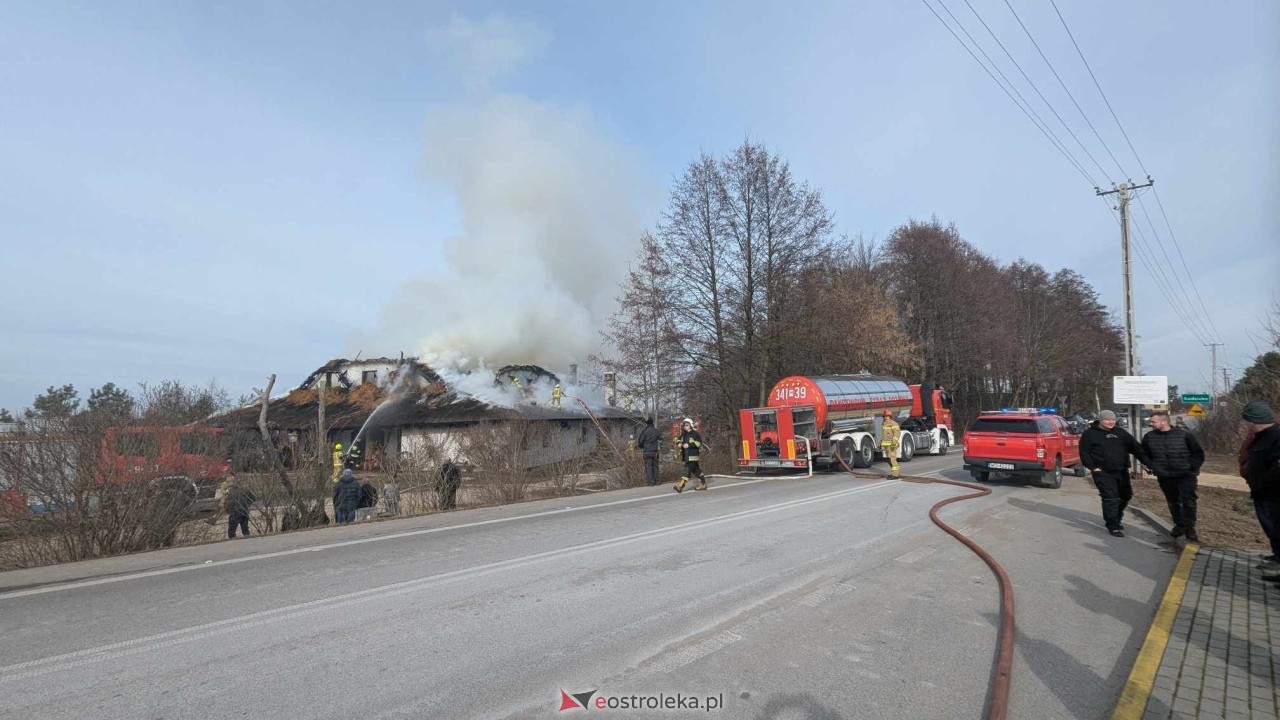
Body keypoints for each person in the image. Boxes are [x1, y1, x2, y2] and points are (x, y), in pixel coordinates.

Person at [1079, 409, 1149, 537]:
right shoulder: (1089, 434)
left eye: (1113, 419)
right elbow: (1084, 453)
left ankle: (1117, 517)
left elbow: (1136, 448)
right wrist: (1093, 468)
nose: (1111, 422)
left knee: (1126, 495)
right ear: (1100, 420)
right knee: (1111, 497)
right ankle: (1113, 525)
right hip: (1103, 472)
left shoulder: (1120, 433)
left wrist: (1148, 463)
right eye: (1107, 420)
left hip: (1121, 470)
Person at [1141, 410, 1206, 542]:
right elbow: (1144, 454)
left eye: (1153, 421)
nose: (1151, 424)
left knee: (1188, 500)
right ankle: (1179, 525)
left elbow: (1198, 454)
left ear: (1164, 422)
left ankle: (1189, 528)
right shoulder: (1149, 437)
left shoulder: (1184, 435)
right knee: (1172, 500)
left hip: (1185, 475)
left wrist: (1191, 467)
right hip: (1164, 475)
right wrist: (1151, 466)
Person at [1240, 401, 1280, 581]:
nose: (1247, 425)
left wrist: (1263, 482)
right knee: (1271, 529)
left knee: (1276, 529)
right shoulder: (1261, 436)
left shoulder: (1276, 436)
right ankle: (1277, 556)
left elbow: (1277, 467)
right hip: (1261, 492)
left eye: (1248, 421)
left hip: (1273, 493)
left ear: (1256, 420)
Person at [673, 418, 706, 493]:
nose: (685, 426)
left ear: (691, 425)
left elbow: (699, 443)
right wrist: (679, 443)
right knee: (696, 471)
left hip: (693, 455)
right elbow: (678, 439)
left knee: (687, 470)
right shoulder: (684, 434)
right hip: (686, 456)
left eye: (687, 425)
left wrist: (689, 445)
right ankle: (703, 484)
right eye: (684, 425)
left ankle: (680, 486)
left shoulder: (695, 434)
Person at [223, 475, 256, 539]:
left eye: (227, 482)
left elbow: (228, 504)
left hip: (235, 512)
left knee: (232, 530)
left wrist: (228, 510)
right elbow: (253, 498)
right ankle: (248, 540)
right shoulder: (245, 490)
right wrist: (247, 504)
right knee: (245, 528)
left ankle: (232, 542)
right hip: (245, 511)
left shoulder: (229, 492)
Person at [637, 417, 661, 486]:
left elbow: (640, 442)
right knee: (655, 466)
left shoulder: (644, 431)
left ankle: (650, 482)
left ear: (646, 424)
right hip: (655, 452)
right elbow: (661, 438)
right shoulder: (656, 431)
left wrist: (643, 447)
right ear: (652, 423)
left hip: (647, 452)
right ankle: (657, 481)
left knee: (649, 467)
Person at [881, 410, 901, 479]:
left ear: (890, 416)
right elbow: (884, 435)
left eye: (887, 416)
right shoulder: (884, 424)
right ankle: (895, 473)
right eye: (885, 416)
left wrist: (894, 442)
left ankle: (895, 475)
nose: (886, 417)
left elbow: (897, 433)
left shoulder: (893, 423)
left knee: (892, 459)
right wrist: (880, 443)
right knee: (889, 459)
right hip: (887, 445)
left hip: (892, 445)